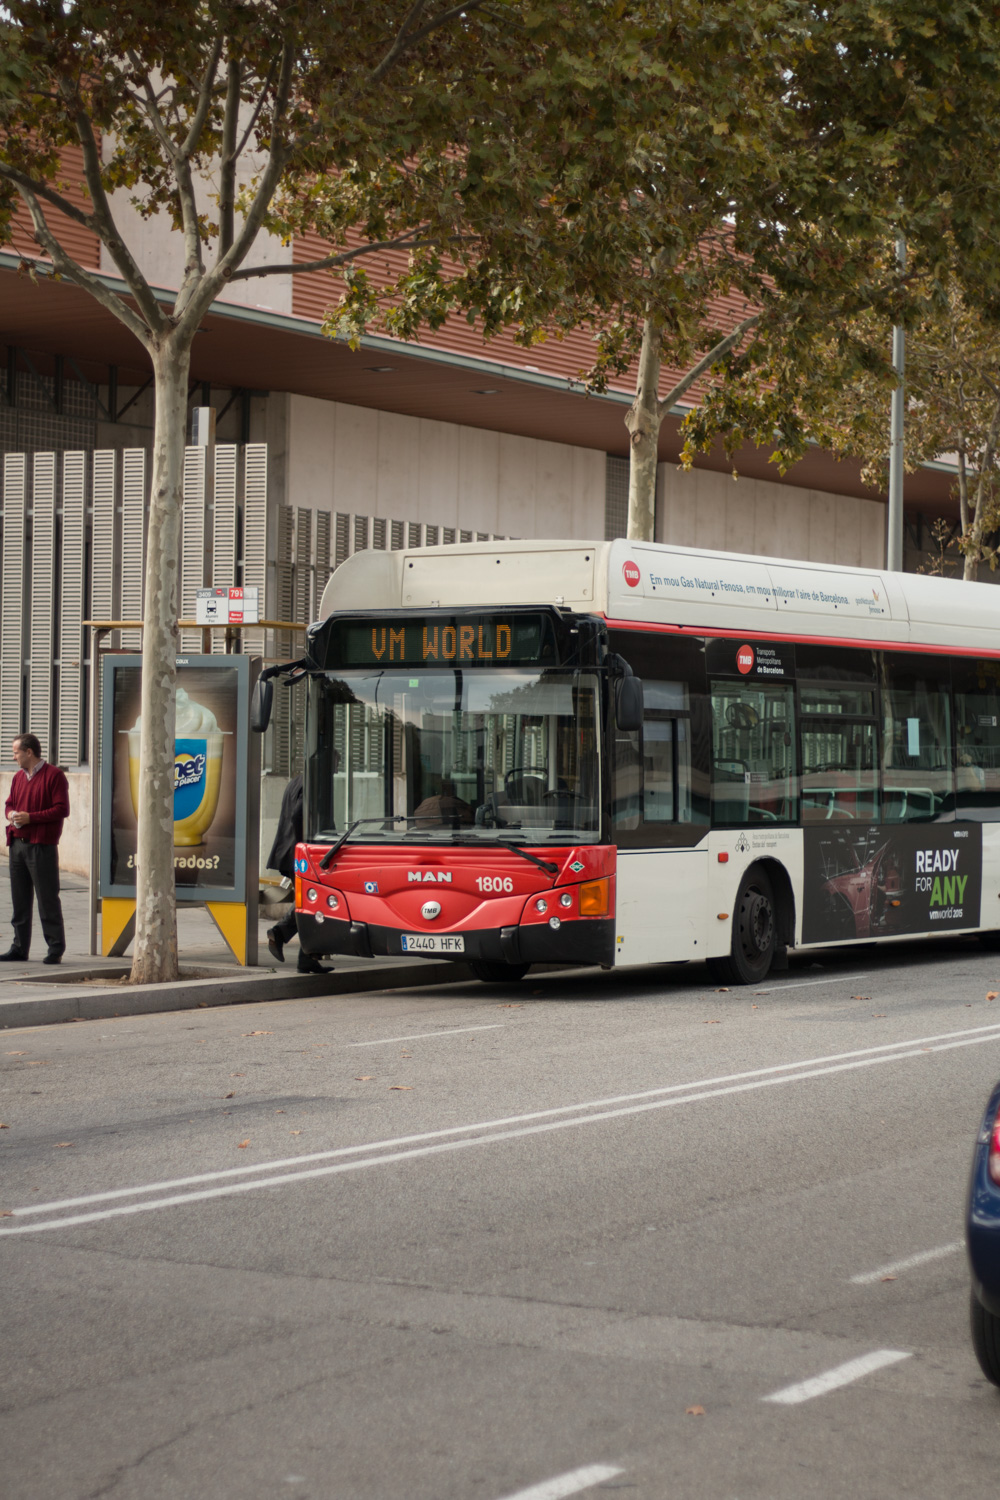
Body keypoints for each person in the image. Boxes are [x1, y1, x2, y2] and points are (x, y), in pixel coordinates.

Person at [2, 733, 69, 964]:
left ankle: (55, 949)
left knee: (47, 899)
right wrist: (11, 814)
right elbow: (9, 803)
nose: (14, 757)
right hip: (17, 845)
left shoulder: (55, 775)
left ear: (29, 752)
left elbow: (62, 809)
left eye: (16, 752)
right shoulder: (19, 777)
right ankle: (19, 948)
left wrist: (31, 818)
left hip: (41, 846)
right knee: (20, 900)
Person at [265, 772, 332, 974]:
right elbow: (297, 814)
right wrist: (308, 842)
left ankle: (307, 957)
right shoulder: (314, 779)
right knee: (314, 902)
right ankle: (280, 933)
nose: (336, 767)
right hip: (300, 853)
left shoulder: (297, 780)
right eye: (336, 761)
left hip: (289, 851)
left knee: (312, 902)